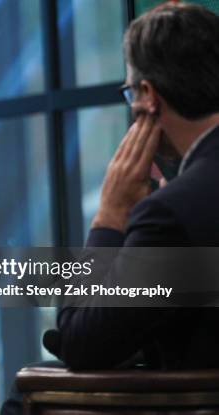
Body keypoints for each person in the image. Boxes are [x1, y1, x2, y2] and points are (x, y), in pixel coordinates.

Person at [55, 2, 219, 370]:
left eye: (130, 92)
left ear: (148, 95)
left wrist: (109, 217)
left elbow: (81, 342)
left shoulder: (172, 213)